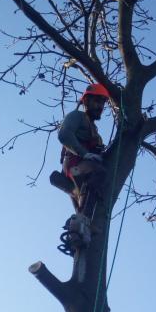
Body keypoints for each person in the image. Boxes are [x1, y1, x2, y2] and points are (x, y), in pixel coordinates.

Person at [58, 82, 111, 216]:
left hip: (82, 169)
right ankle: (82, 220)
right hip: (75, 164)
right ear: (86, 101)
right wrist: (84, 154)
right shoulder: (77, 116)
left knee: (83, 214)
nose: (100, 107)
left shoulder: (94, 130)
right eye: (97, 101)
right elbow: (64, 134)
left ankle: (82, 227)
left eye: (102, 103)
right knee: (100, 172)